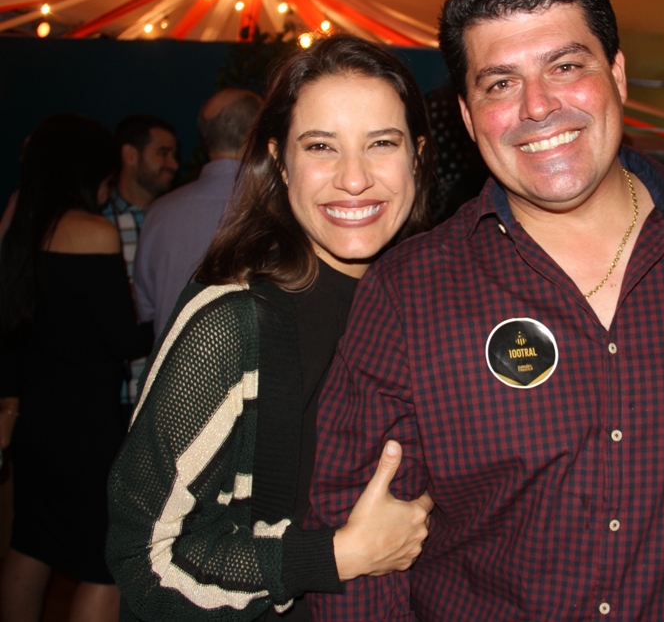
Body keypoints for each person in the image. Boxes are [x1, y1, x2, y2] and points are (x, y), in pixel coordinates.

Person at [308, 0, 664, 620]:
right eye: (501, 83)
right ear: (469, 117)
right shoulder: (408, 293)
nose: (538, 106)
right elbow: (355, 535)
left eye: (565, 66)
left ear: (616, 75)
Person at [106, 34, 436, 622]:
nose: (353, 178)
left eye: (381, 143)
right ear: (281, 163)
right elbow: (146, 560)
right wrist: (336, 555)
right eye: (321, 146)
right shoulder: (233, 319)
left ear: (417, 155)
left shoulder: (423, 303)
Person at [0, 113, 153, 622]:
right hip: (85, 427)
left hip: (33, 421)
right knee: (102, 563)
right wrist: (171, 316)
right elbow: (122, 340)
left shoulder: (18, 225)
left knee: (30, 544)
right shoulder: (92, 232)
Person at [134, 89, 262, 338]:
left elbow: (146, 307)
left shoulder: (159, 213)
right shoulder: (279, 207)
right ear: (255, 133)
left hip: (172, 359)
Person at [105, 114, 179, 407]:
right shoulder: (97, 224)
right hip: (115, 394)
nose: (173, 164)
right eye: (163, 153)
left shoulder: (177, 219)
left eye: (174, 154)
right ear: (130, 155)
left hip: (166, 393)